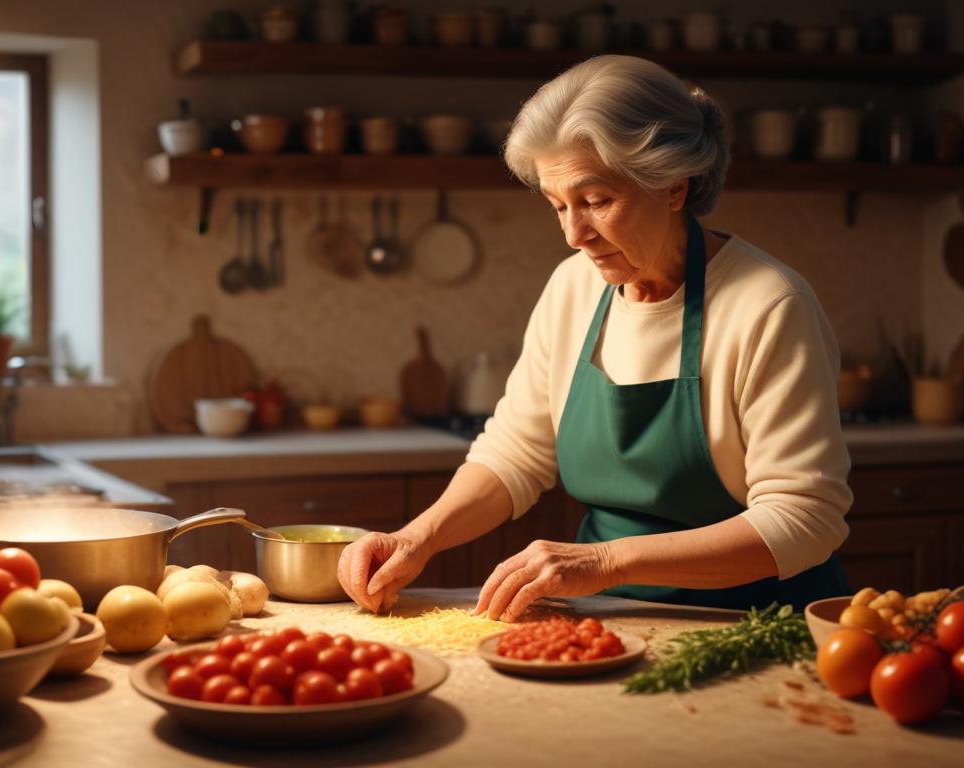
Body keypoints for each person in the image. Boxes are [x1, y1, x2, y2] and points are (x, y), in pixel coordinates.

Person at [338, 55, 852, 621]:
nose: (573, 235)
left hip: (751, 625)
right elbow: (516, 453)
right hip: (616, 617)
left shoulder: (769, 305)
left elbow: (805, 519)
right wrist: (419, 538)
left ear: (673, 185)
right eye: (558, 206)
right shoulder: (574, 289)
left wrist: (607, 562)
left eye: (596, 201)